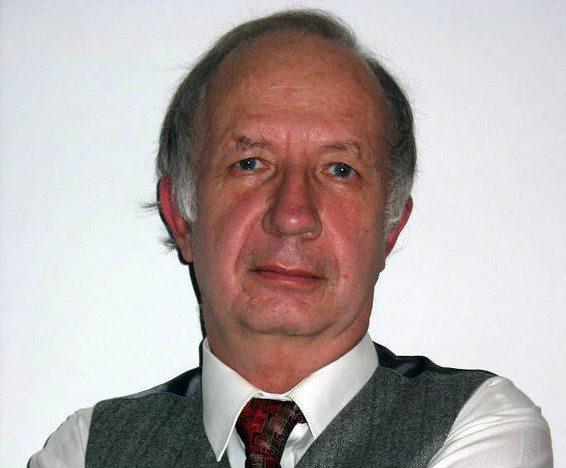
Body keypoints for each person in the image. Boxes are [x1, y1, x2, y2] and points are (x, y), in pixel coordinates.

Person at [29, 9, 552, 467]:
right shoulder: (87, 448)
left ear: (390, 228)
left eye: (340, 169)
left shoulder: (481, 424)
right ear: (181, 216)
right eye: (250, 163)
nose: (293, 215)